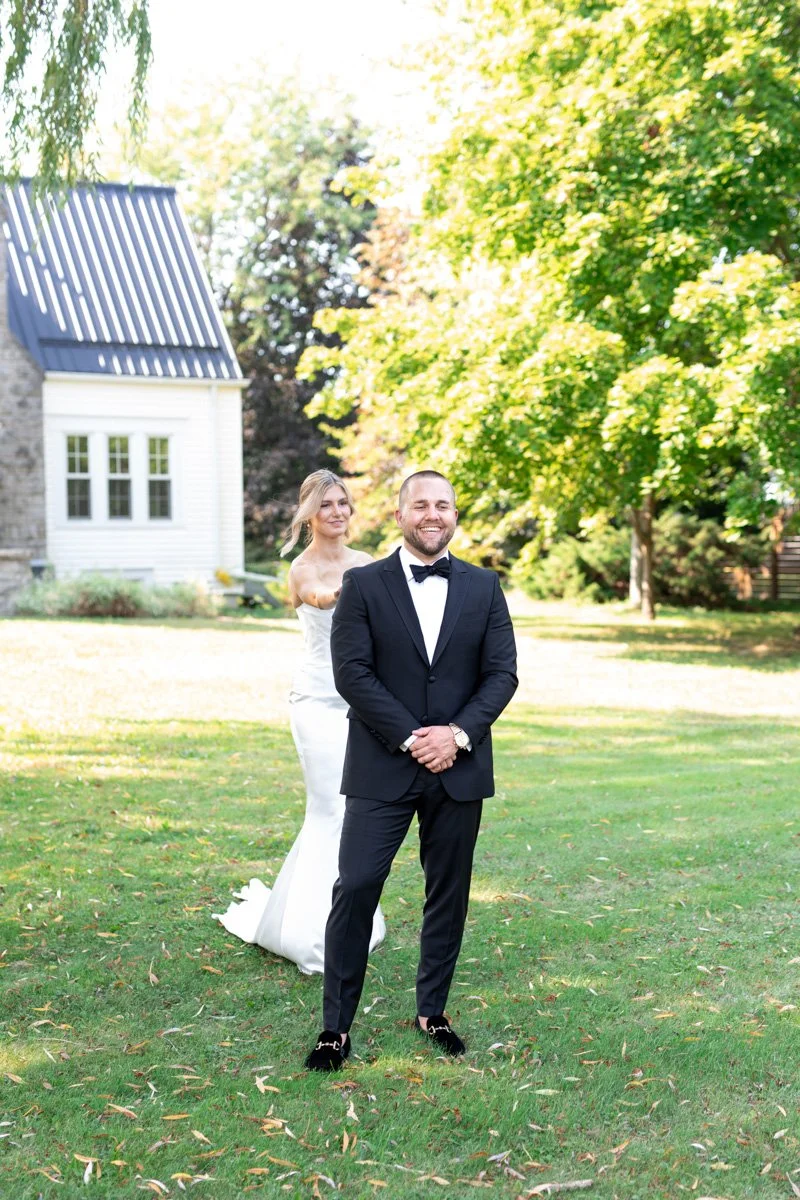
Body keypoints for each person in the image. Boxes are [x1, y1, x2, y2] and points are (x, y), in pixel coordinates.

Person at [304, 469, 517, 1070]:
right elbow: (352, 673)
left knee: (448, 893)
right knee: (356, 885)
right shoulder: (364, 584)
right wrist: (410, 737)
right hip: (382, 763)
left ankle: (433, 1011)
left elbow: (502, 674)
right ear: (399, 516)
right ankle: (335, 1028)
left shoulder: (485, 586)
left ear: (455, 516)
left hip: (459, 765)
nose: (432, 514)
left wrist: (456, 735)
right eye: (420, 505)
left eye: (442, 505)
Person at [213, 470, 385, 974]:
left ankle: (352, 918)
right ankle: (313, 937)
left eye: (343, 503)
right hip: (316, 701)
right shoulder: (302, 569)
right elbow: (321, 598)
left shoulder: (366, 562)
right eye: (326, 504)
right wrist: (358, 587)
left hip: (363, 701)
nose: (337, 512)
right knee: (329, 806)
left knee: (356, 810)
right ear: (309, 514)